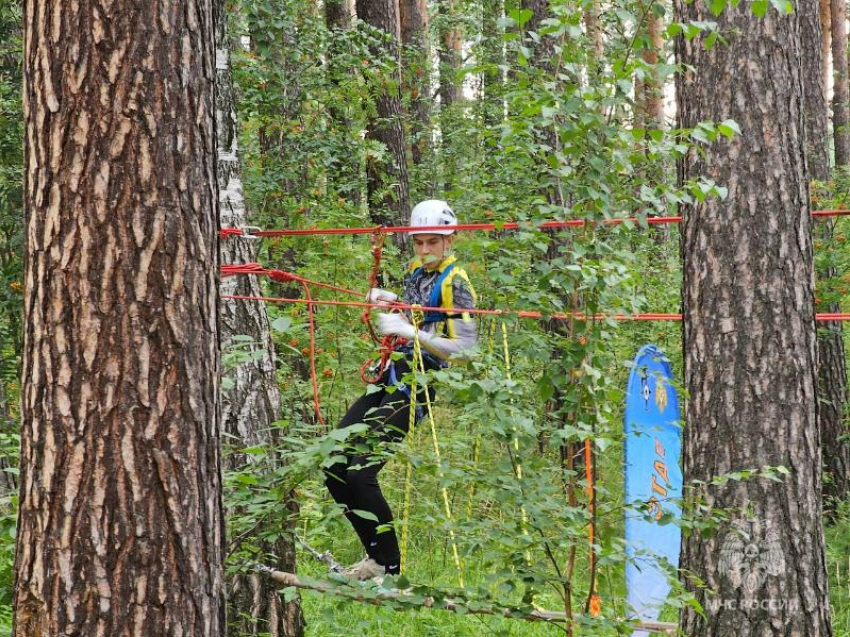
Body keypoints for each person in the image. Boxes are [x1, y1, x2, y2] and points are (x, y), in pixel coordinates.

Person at [324, 199, 478, 581]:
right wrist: (393, 303)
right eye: (419, 242)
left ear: (449, 239)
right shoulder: (416, 271)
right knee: (333, 464)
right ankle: (375, 559)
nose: (425, 250)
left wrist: (410, 332)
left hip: (422, 379)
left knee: (360, 471)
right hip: (393, 370)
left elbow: (465, 348)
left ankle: (388, 568)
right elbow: (416, 308)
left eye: (432, 243)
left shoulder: (456, 283)